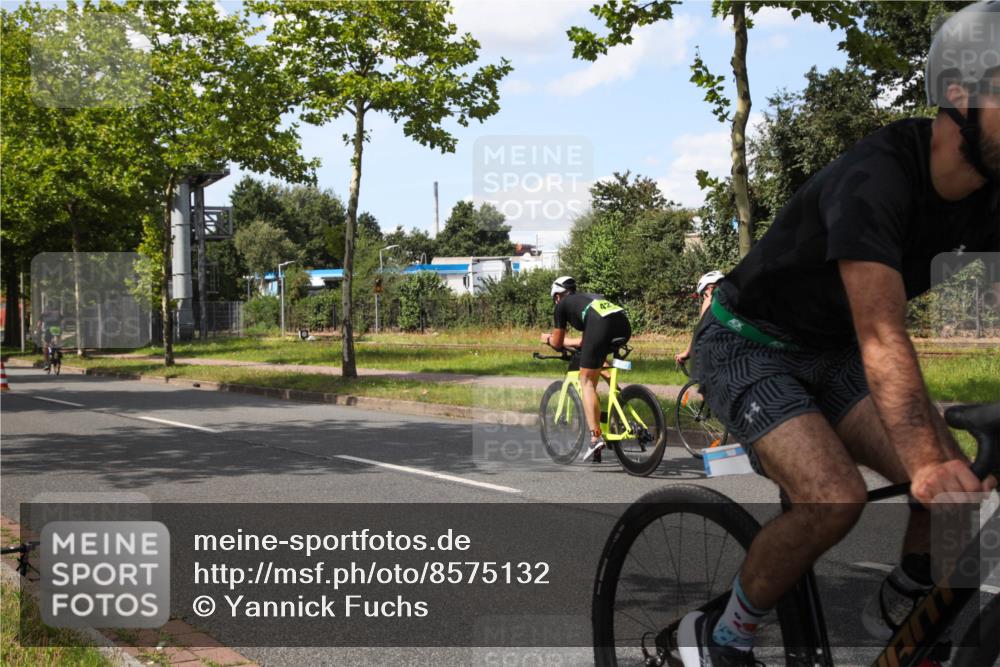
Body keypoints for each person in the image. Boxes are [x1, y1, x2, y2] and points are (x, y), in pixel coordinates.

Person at [680, 3, 1000, 665]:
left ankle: (910, 604)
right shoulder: (876, 177)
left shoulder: (990, 194)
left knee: (958, 492)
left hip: (831, 350)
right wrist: (924, 459)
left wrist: (940, 469)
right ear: (961, 97)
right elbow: (882, 333)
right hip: (748, 340)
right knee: (834, 497)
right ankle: (721, 635)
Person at [540, 276, 632, 464]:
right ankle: (620, 397)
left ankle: (595, 437)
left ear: (557, 296)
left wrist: (548, 339)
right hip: (622, 324)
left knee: (587, 382)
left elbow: (558, 343)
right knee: (597, 364)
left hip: (600, 326)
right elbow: (586, 341)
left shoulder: (561, 305)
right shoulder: (588, 298)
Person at [674, 271, 724, 366]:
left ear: (709, 289)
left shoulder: (711, 300)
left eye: (703, 295)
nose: (705, 298)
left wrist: (686, 353)